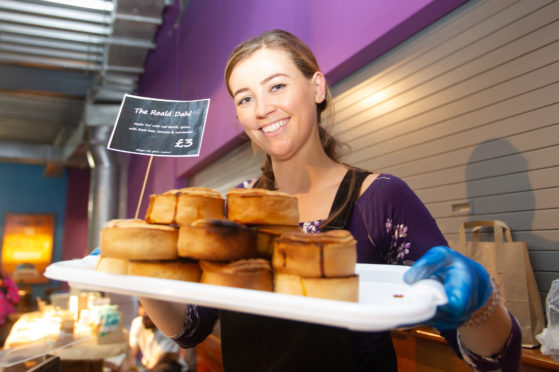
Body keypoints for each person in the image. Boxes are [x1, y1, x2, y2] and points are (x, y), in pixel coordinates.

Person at [140, 29, 522, 371]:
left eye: (276, 86)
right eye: (244, 98)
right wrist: (137, 272)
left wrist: (481, 306)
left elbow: (494, 359)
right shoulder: (234, 209)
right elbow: (191, 327)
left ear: (317, 88)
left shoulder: (379, 198)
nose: (261, 109)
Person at [120, 303, 186, 372]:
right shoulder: (137, 322)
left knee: (162, 369)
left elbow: (159, 357)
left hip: (168, 363)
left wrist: (146, 370)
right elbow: (133, 349)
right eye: (142, 316)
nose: (143, 320)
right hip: (148, 362)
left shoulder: (167, 328)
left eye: (146, 318)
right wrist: (128, 365)